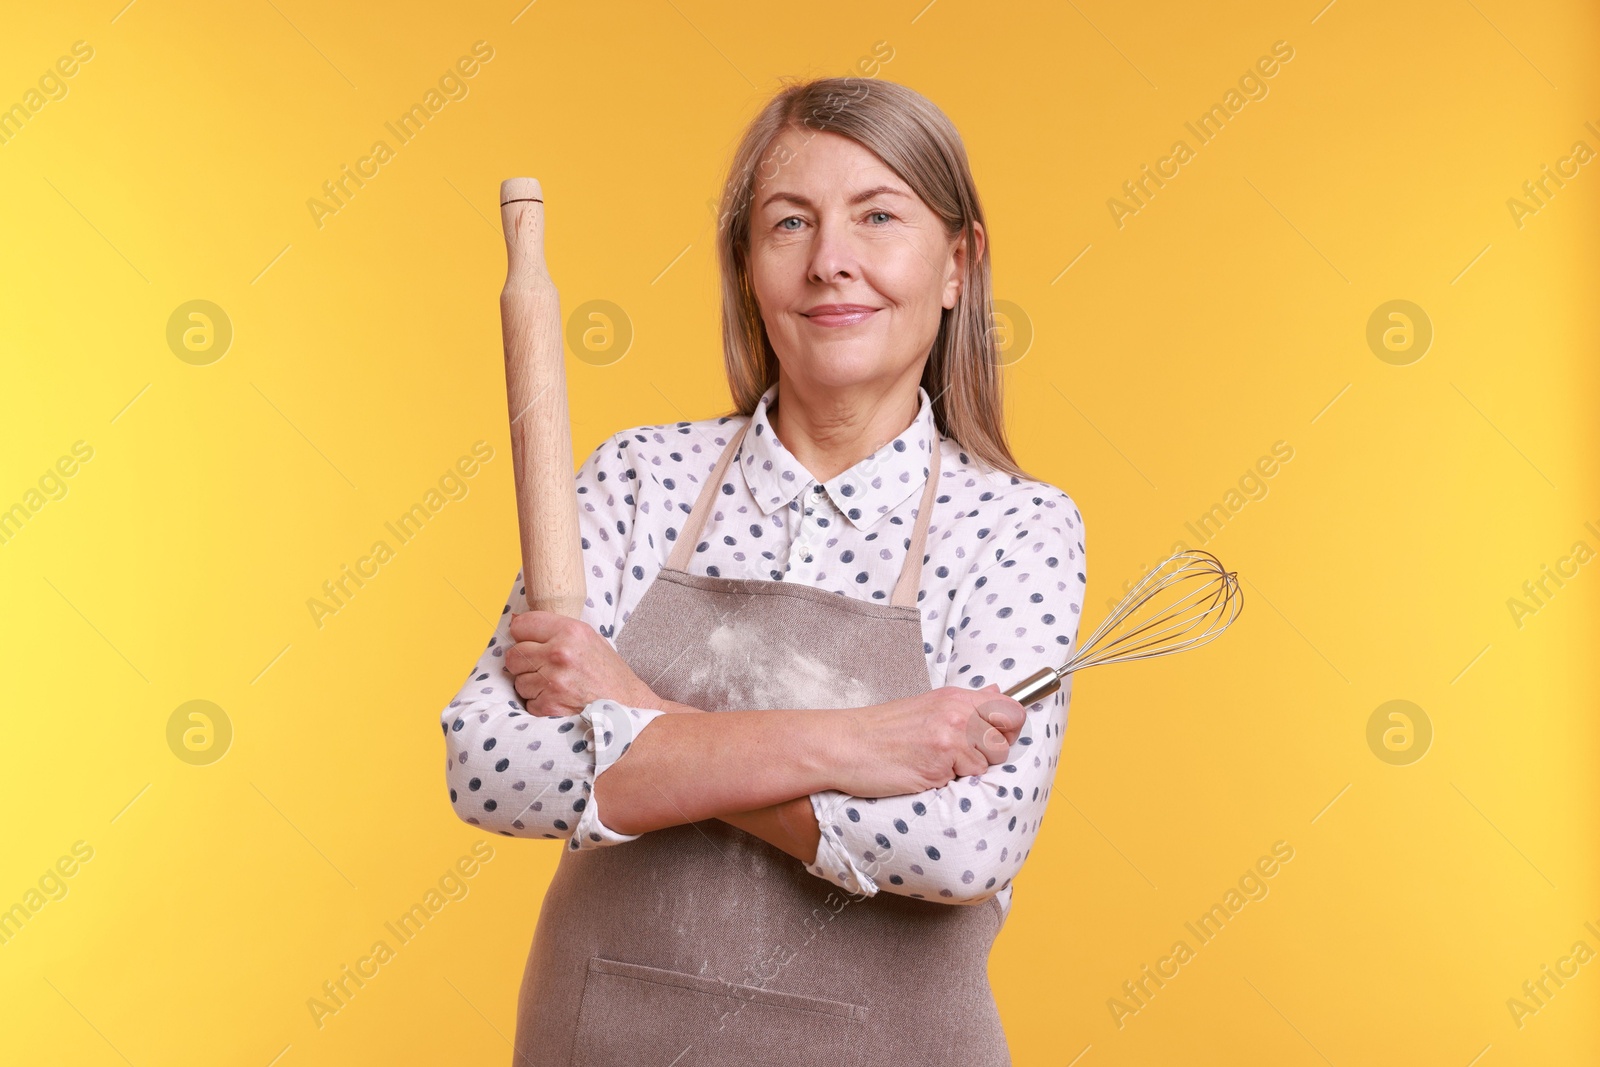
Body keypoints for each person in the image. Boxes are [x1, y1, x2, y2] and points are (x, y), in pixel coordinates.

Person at [439, 76, 1086, 1066]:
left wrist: (633, 714)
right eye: (790, 224)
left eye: (877, 216)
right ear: (748, 265)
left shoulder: (1015, 527)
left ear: (957, 263)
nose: (832, 262)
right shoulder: (637, 477)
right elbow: (492, 767)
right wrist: (857, 744)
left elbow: (961, 844)